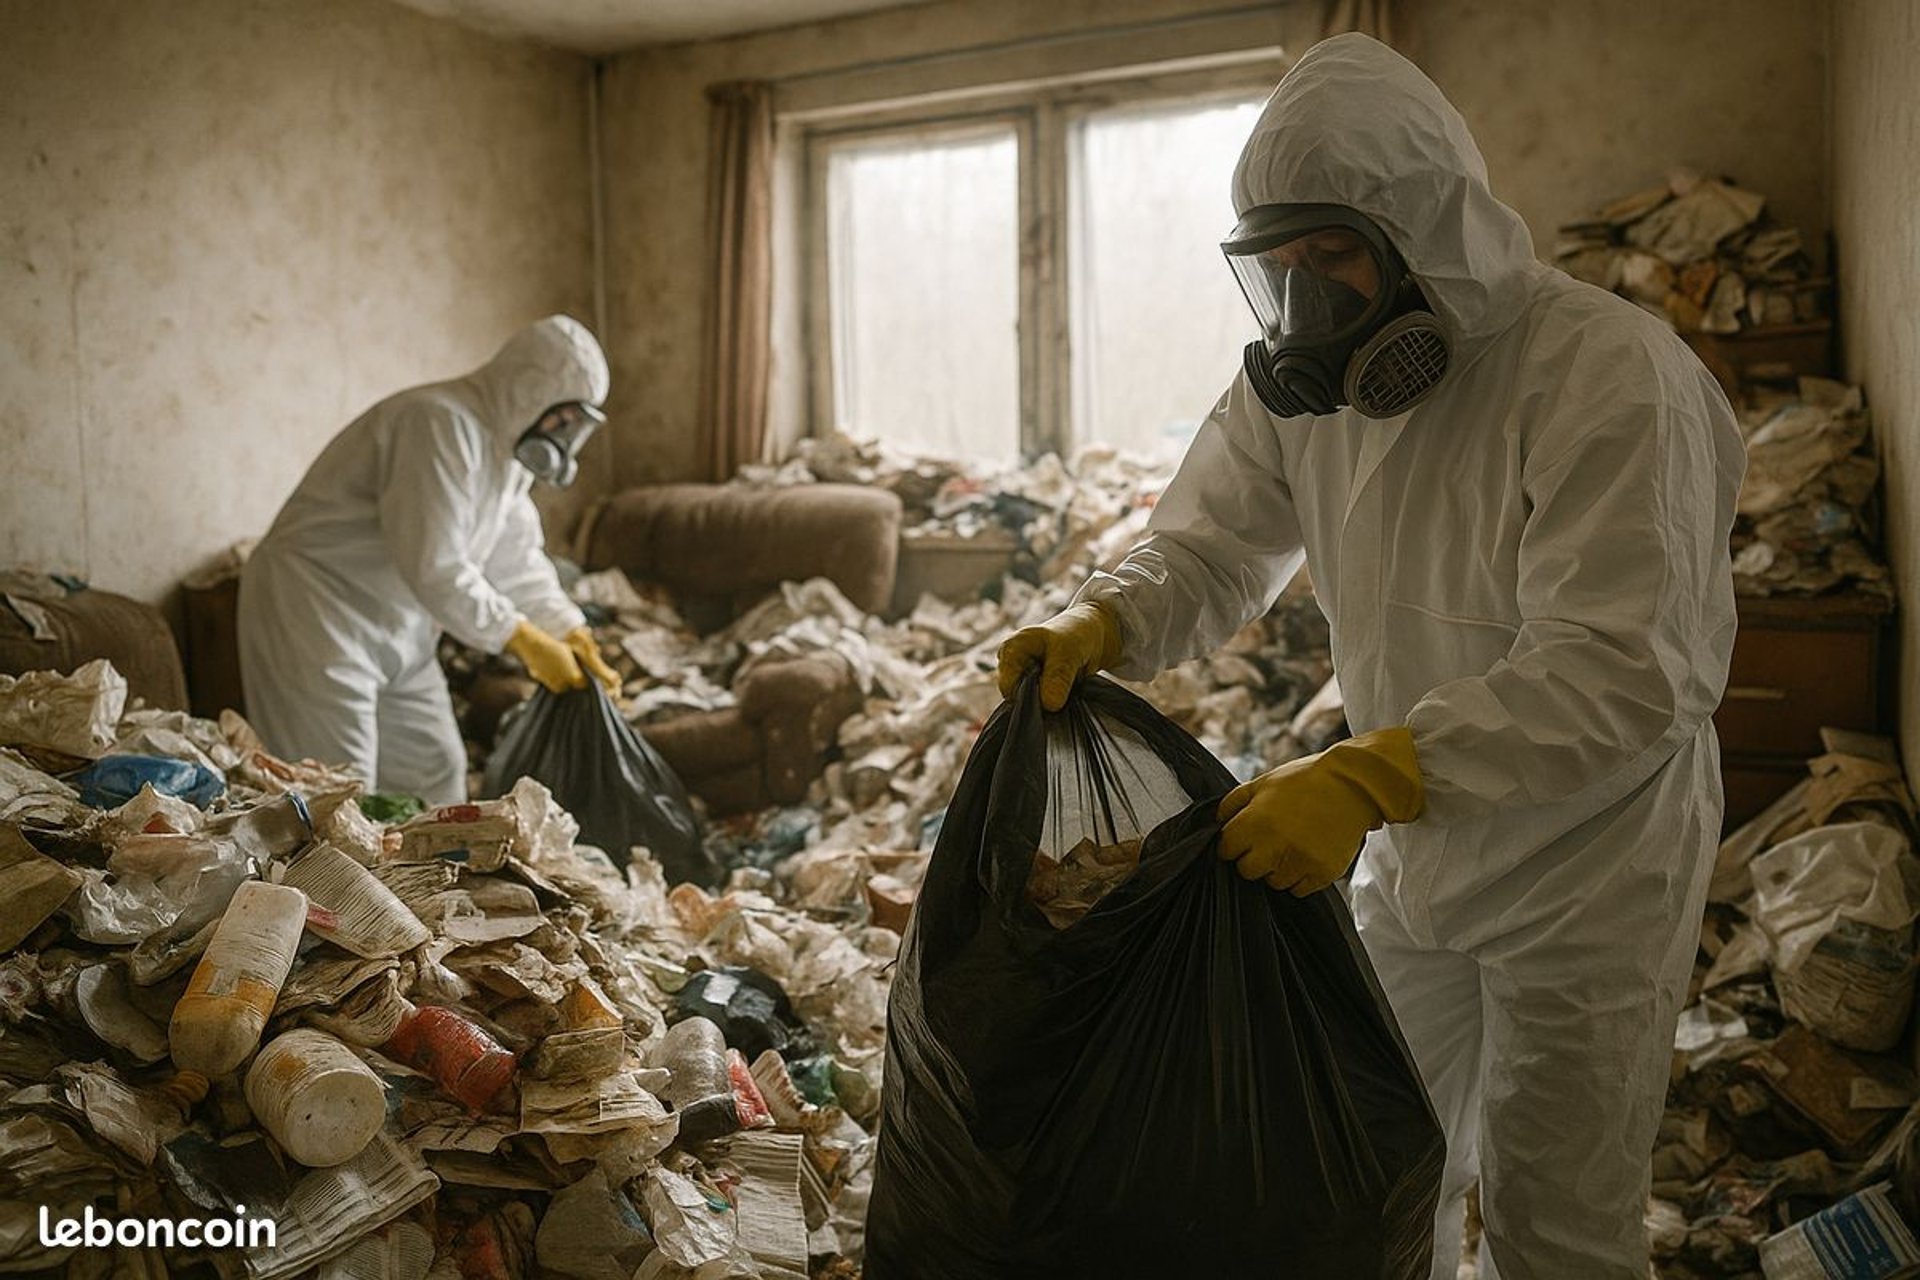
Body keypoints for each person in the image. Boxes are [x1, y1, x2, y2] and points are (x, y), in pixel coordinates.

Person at [998, 34, 1743, 1280]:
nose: (1307, 302)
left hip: (1590, 866)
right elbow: (1209, 543)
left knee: (1556, 1217)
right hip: (1417, 857)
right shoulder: (1313, 385)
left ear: (1428, 232)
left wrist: (1369, 774)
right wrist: (1106, 617)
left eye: (1334, 255)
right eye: (1278, 268)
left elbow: (1626, 668)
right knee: (1372, 1162)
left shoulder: (1610, 377)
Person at [238, 314, 622, 805]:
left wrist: (568, 628)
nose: (564, 436)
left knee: (435, 767)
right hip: (314, 610)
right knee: (332, 793)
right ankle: (331, 885)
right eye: (564, 418)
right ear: (530, 389)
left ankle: (420, 882)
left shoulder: (504, 458)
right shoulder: (438, 423)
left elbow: (517, 561)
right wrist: (520, 638)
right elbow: (436, 567)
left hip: (397, 626)